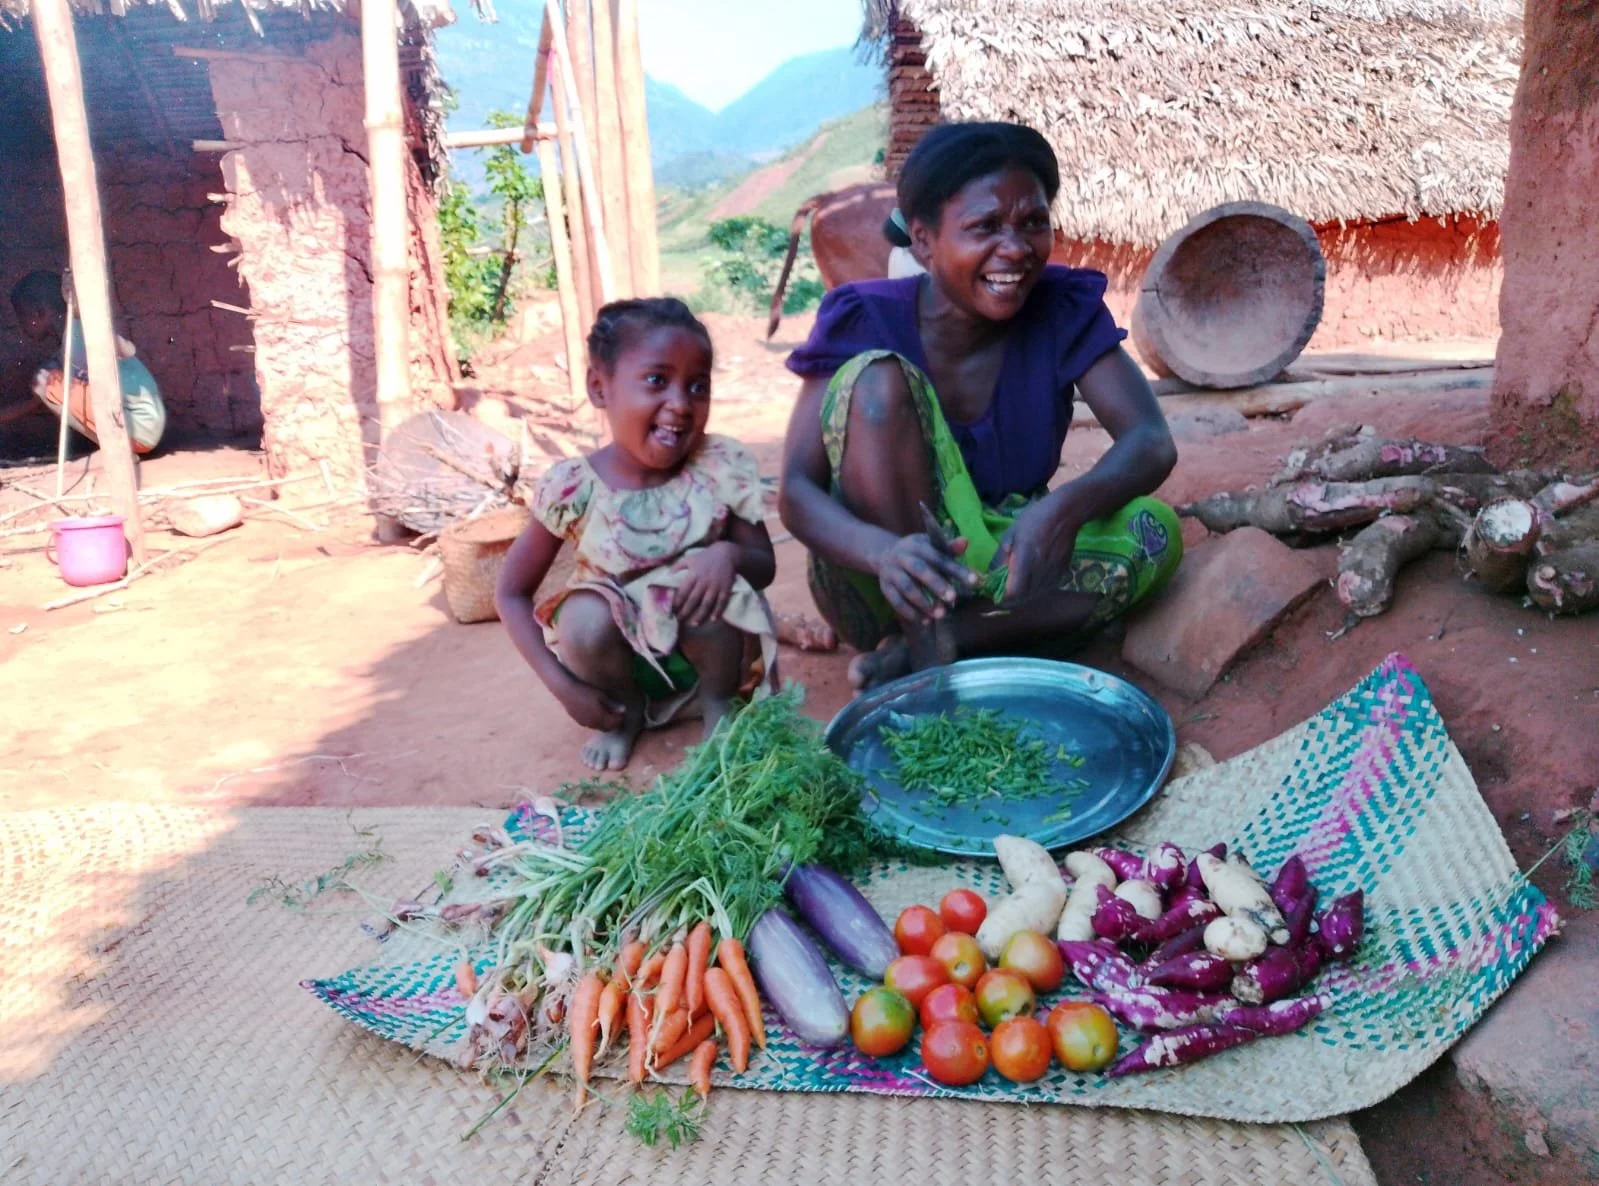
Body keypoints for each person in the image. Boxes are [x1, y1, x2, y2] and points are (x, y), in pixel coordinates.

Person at [779, 121, 1182, 690]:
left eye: (1033, 223)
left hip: (1003, 563)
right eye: (984, 227)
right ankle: (937, 634)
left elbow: (1150, 440)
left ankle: (949, 643)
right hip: (882, 578)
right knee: (878, 381)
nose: (1015, 249)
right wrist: (886, 553)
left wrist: (1062, 510)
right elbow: (796, 491)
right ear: (923, 241)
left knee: (1155, 533)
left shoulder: (1062, 309)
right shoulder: (863, 317)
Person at [495, 297, 779, 772]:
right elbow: (510, 593)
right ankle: (624, 718)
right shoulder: (574, 487)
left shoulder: (719, 468)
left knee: (702, 578)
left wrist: (728, 555)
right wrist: (563, 686)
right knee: (583, 616)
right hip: (623, 668)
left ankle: (717, 706)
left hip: (712, 658)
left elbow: (764, 565)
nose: (681, 404)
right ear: (599, 388)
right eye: (656, 381)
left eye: (698, 386)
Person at [3, 270, 166, 454]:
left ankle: (115, 449)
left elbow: (127, 350)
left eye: (22, 316)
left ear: (38, 313)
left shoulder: (81, 333)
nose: (20, 324)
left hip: (139, 426)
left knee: (45, 381)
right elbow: (33, 401)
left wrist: (81, 312)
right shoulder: (68, 344)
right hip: (142, 428)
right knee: (46, 378)